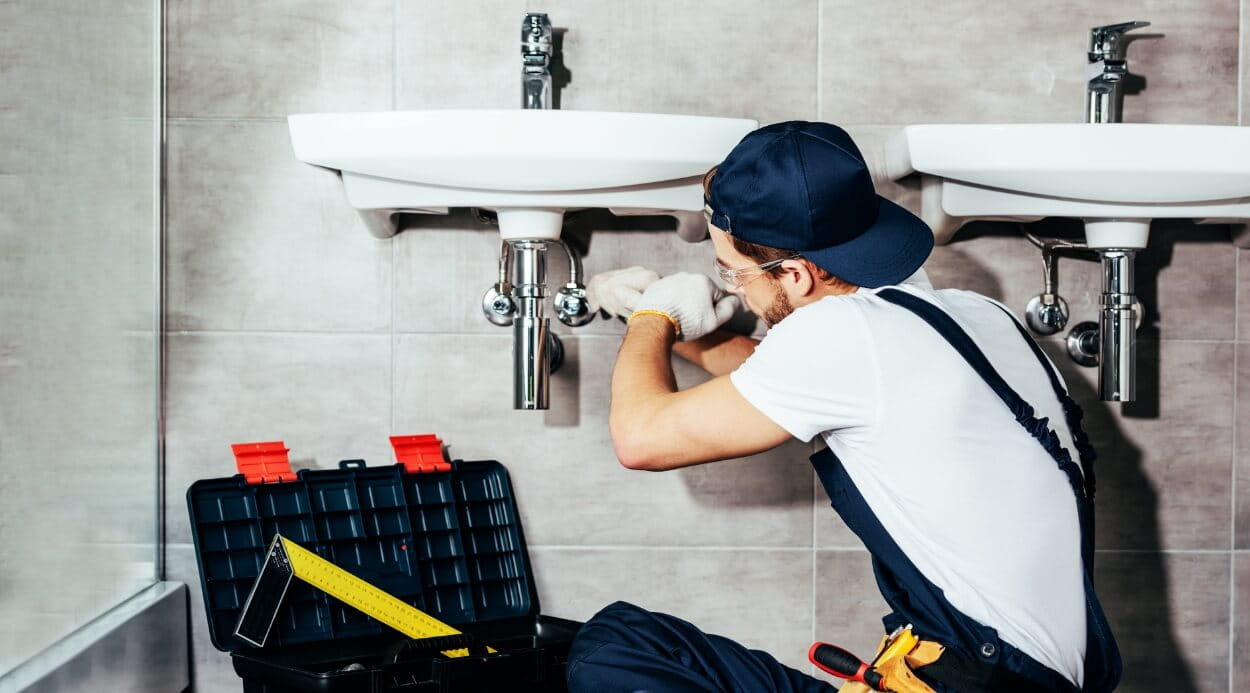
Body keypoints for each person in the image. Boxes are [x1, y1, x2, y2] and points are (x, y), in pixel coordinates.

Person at [567, 121, 1121, 693]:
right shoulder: (970, 313)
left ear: (799, 274)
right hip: (1018, 677)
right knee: (625, 639)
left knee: (613, 657)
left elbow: (640, 439)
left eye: (733, 271)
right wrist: (683, 329)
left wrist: (651, 320)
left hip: (983, 683)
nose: (733, 289)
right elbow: (789, 385)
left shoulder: (842, 336)